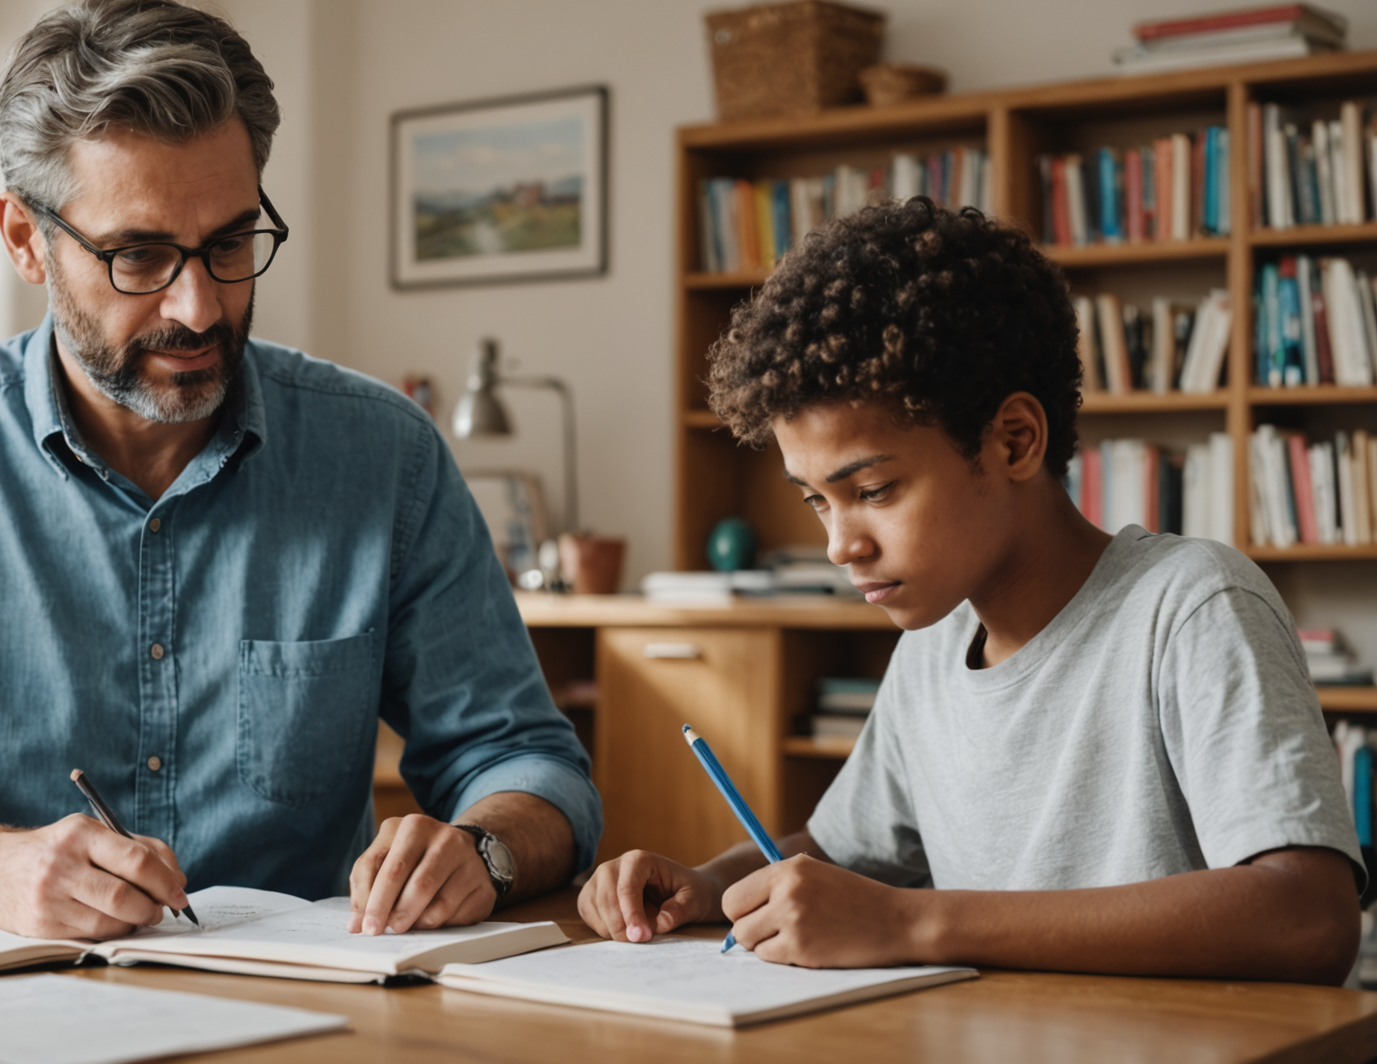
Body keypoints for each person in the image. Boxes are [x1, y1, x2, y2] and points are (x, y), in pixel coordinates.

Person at [0, 0, 598, 941]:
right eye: (138, 257)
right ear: (23, 239)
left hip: (315, 1019)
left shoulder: (384, 458)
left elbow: (528, 764)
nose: (200, 308)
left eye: (230, 244)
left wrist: (484, 851)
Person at [578, 199, 1364, 985]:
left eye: (875, 489)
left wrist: (913, 922)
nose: (838, 544)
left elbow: (1307, 915)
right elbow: (847, 855)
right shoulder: (932, 643)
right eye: (817, 499)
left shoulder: (1191, 607)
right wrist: (713, 885)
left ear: (1014, 440)